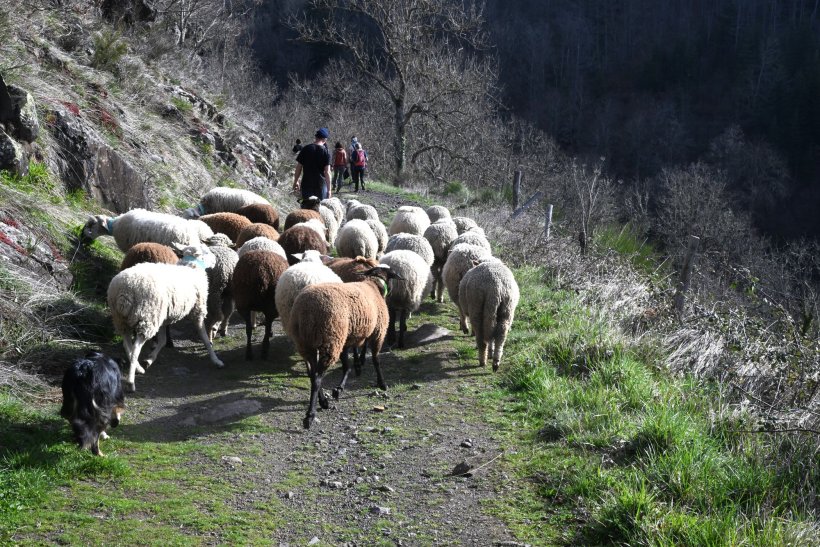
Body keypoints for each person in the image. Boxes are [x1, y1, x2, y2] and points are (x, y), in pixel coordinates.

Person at [293, 128, 332, 200]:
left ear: (316, 137)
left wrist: (296, 181)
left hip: (306, 183)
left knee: (306, 208)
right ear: (325, 139)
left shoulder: (306, 149)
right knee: (320, 209)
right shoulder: (326, 152)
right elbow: (327, 172)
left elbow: (299, 167)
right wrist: (329, 190)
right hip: (321, 185)